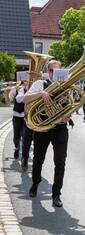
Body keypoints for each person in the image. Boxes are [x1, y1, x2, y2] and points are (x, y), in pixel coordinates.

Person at [22, 60, 70, 207]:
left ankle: (56, 194)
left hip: (60, 129)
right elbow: (25, 99)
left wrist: (67, 116)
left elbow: (71, 106)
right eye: (53, 71)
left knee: (60, 163)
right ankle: (35, 183)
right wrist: (41, 93)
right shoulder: (39, 84)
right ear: (48, 72)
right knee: (38, 159)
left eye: (58, 71)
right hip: (43, 128)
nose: (55, 74)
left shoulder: (66, 87)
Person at [8, 80, 29, 159]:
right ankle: (17, 148)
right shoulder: (16, 89)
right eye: (25, 80)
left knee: (25, 135)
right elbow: (8, 101)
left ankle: (24, 154)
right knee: (16, 136)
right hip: (16, 115)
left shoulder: (31, 89)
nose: (26, 81)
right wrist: (8, 91)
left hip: (26, 116)